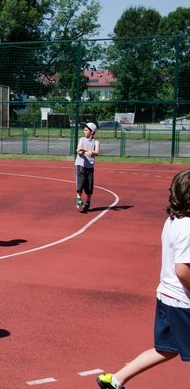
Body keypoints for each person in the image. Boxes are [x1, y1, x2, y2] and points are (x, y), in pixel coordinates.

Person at [96, 169, 190, 389]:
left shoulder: (174, 220)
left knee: (166, 349)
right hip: (183, 302)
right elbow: (183, 270)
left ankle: (115, 380)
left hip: (168, 297)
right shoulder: (188, 227)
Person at [75, 122, 100, 212]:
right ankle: (79, 201)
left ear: (92, 132)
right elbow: (79, 150)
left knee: (89, 187)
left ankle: (88, 202)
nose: (84, 131)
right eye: (84, 130)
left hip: (90, 166)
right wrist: (86, 151)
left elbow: (97, 152)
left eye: (86, 130)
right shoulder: (81, 139)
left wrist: (90, 152)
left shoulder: (96, 142)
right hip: (80, 164)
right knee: (80, 184)